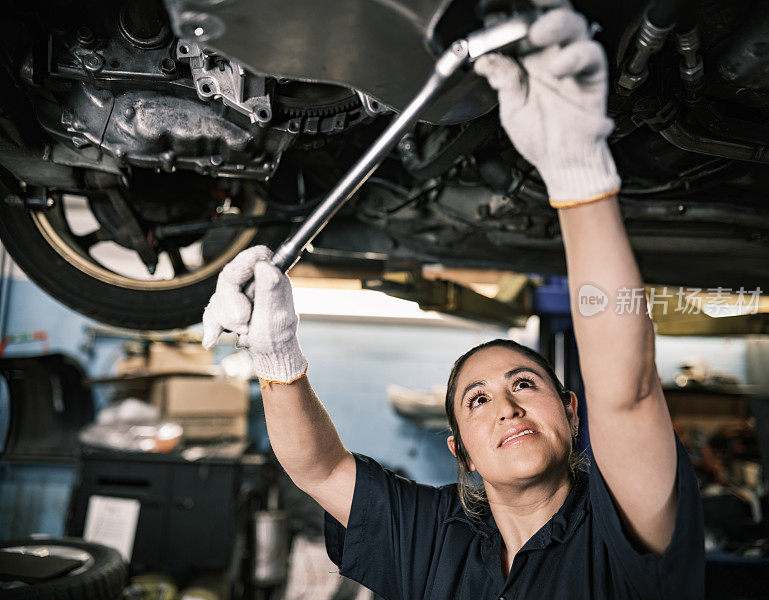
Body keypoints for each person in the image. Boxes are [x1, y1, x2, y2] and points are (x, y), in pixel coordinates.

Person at [201, 1, 705, 598]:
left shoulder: (623, 527)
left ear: (571, 413)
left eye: (524, 384)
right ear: (459, 451)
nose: (507, 409)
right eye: (478, 400)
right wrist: (277, 361)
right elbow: (321, 469)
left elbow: (628, 392)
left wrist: (579, 176)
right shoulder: (434, 536)